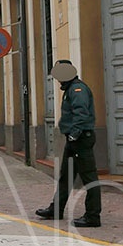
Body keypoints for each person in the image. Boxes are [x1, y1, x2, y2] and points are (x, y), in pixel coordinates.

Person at [35, 59, 101, 228]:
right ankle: (56, 209)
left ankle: (93, 216)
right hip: (75, 140)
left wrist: (74, 134)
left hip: (80, 139)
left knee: (89, 178)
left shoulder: (77, 89)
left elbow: (81, 114)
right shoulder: (70, 89)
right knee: (66, 177)